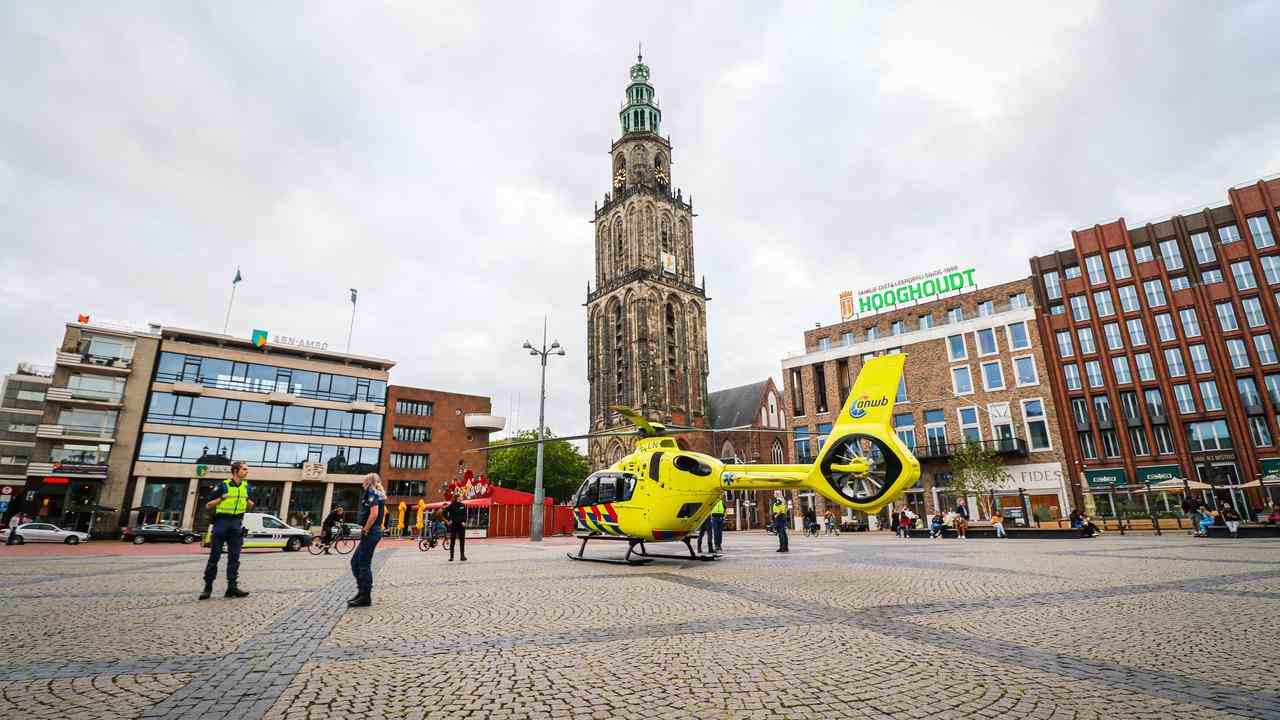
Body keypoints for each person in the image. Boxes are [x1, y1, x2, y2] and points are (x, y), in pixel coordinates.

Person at [200, 461, 255, 600]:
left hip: (237, 523)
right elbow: (208, 505)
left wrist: (249, 504)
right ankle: (208, 587)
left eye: (247, 469)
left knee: (234, 557)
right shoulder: (223, 485)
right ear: (236, 471)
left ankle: (232, 588)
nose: (247, 471)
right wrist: (221, 498)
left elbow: (248, 506)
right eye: (244, 469)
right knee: (215, 556)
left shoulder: (246, 487)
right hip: (221, 522)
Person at [348, 473, 385, 607]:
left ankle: (365, 596)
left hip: (371, 531)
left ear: (369, 482)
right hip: (373, 531)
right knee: (355, 562)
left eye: (365, 480)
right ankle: (361, 592)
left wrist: (366, 529)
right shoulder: (378, 493)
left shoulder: (372, 493)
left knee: (363, 564)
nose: (362, 482)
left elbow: (374, 513)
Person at [444, 491, 467, 562]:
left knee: (462, 541)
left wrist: (464, 521)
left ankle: (462, 556)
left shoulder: (463, 505)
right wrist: (448, 520)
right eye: (460, 497)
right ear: (457, 498)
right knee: (452, 541)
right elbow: (444, 511)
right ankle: (451, 557)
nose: (461, 498)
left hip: (461, 525)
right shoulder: (452, 505)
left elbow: (465, 515)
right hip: (454, 525)